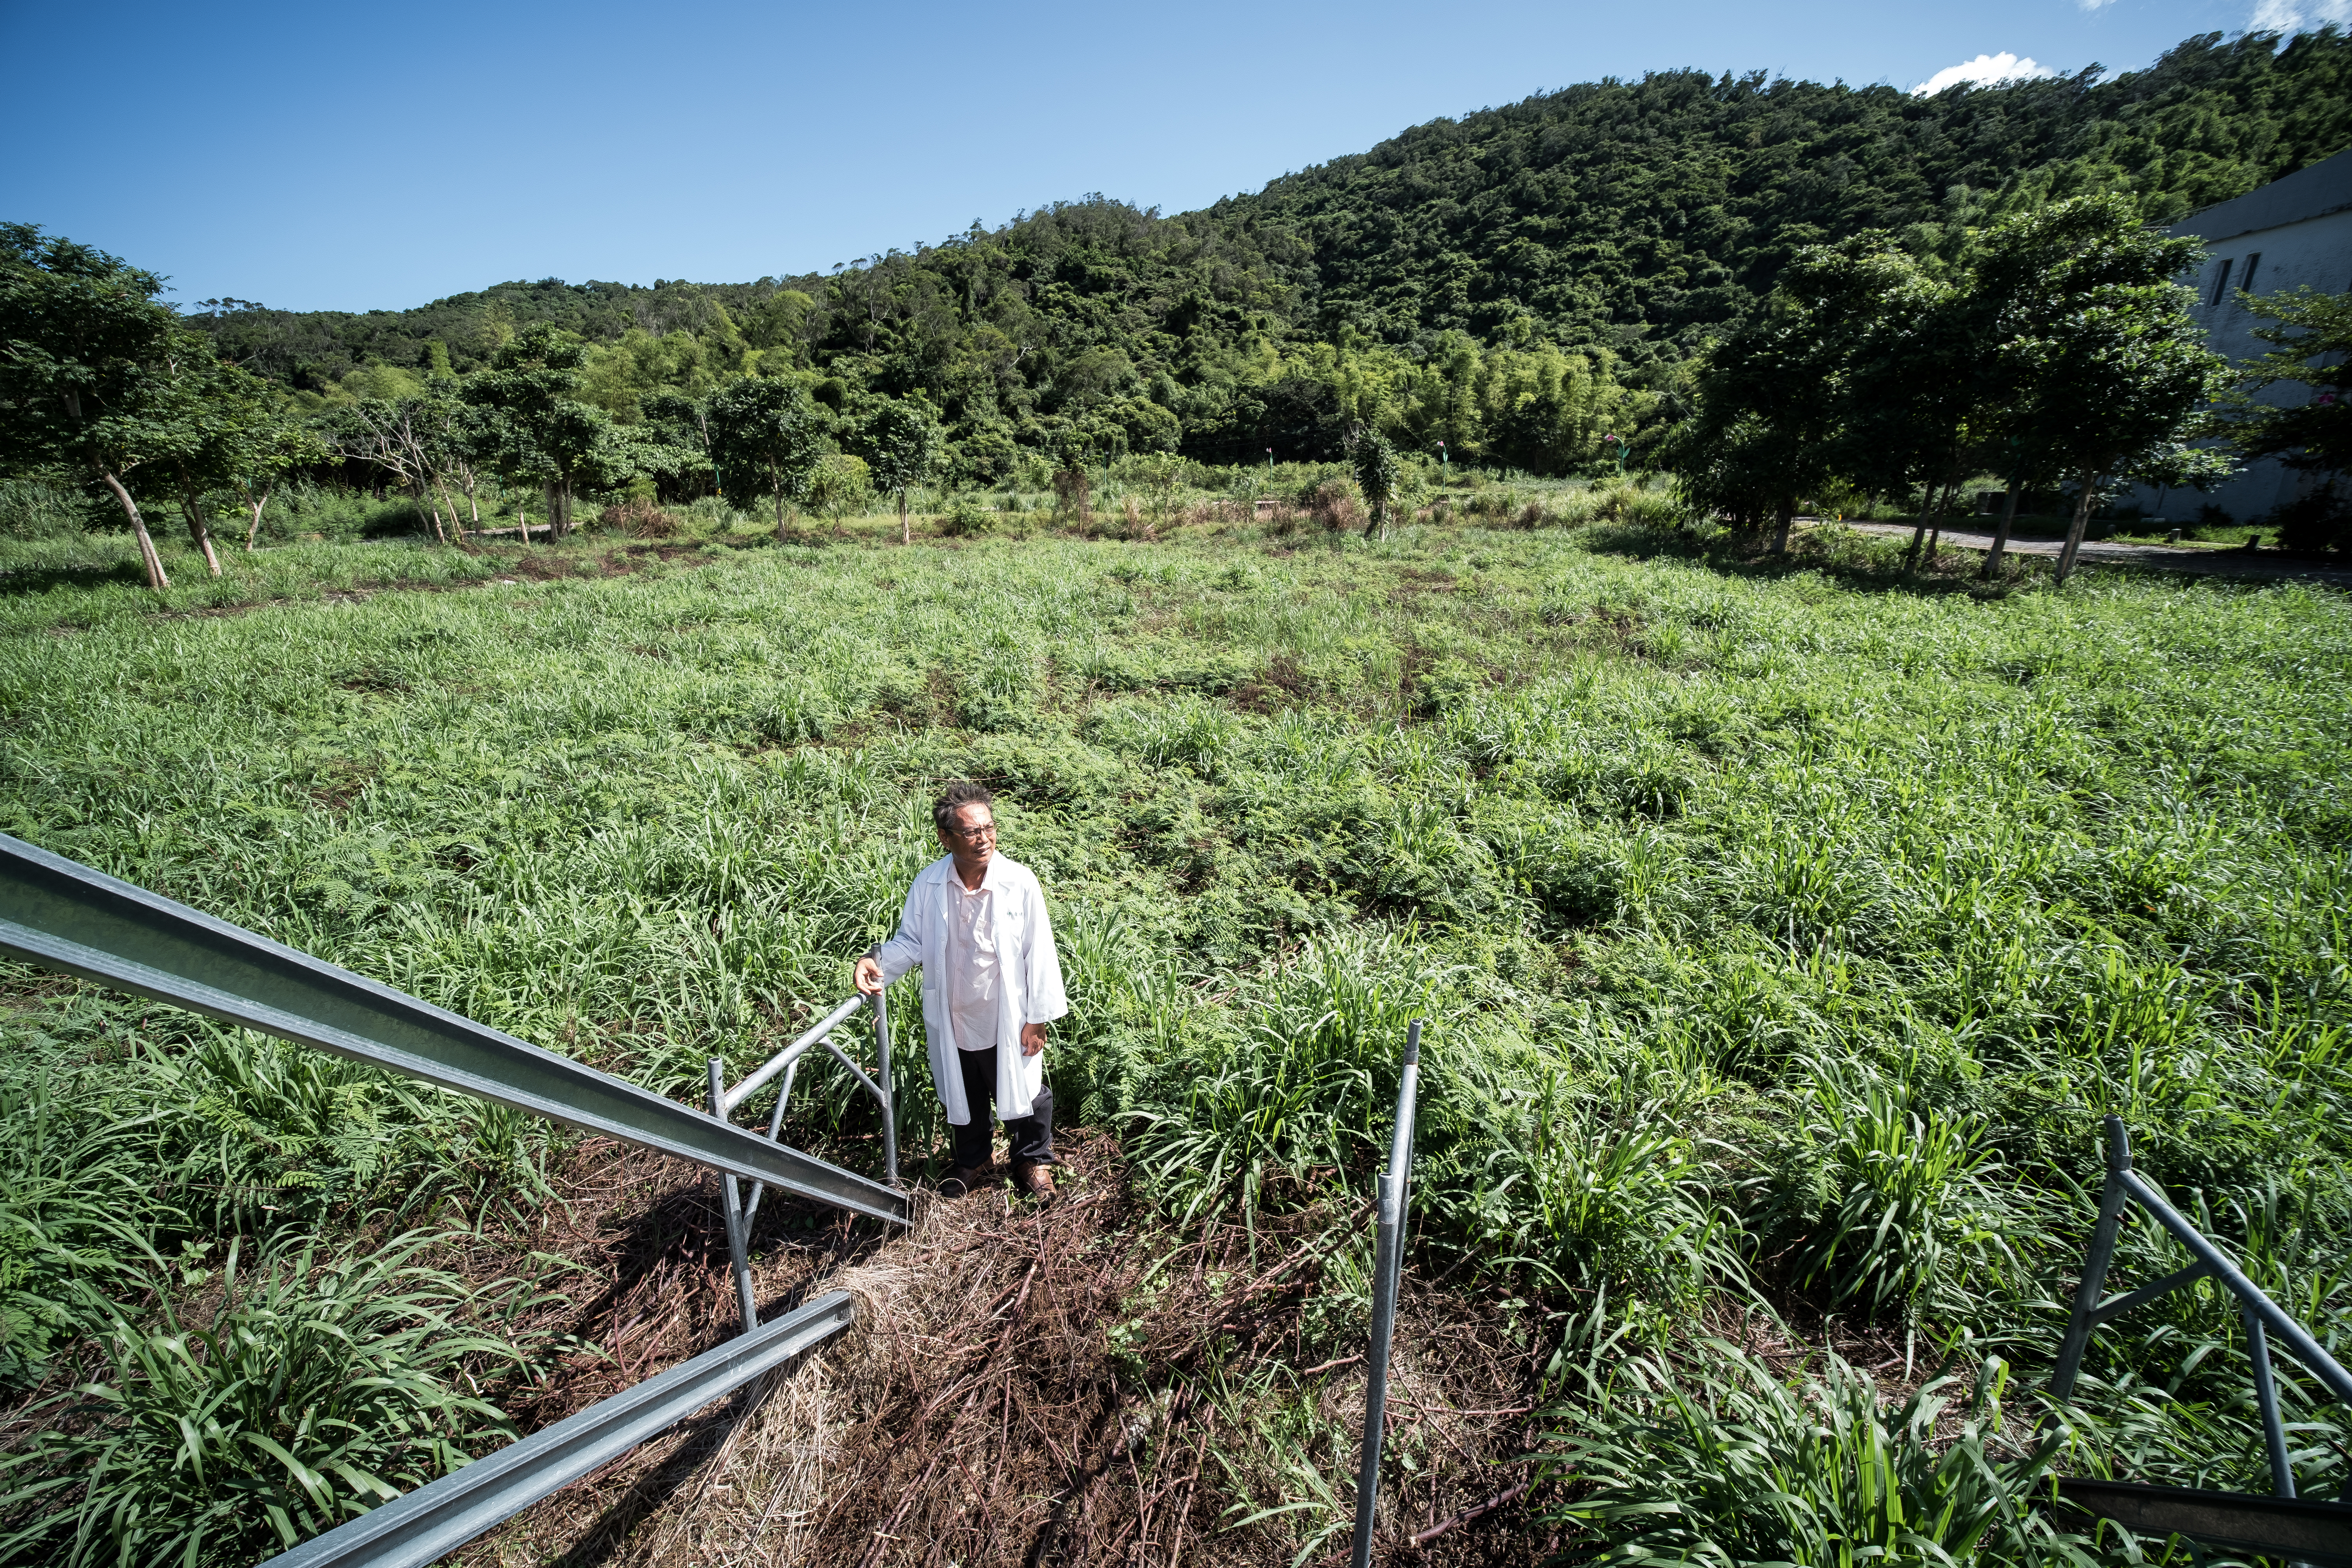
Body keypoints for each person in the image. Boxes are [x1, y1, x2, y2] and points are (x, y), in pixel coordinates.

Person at [855, 782, 1068, 1199]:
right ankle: (973, 1159)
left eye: (989, 828)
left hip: (1007, 1013)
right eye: (971, 831)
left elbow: (1039, 951)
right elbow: (912, 942)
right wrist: (875, 959)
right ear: (946, 837)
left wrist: (1037, 1017)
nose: (984, 838)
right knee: (963, 1092)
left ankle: (1033, 1160)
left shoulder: (1019, 882)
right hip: (954, 1013)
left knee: (1026, 1091)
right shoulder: (931, 883)